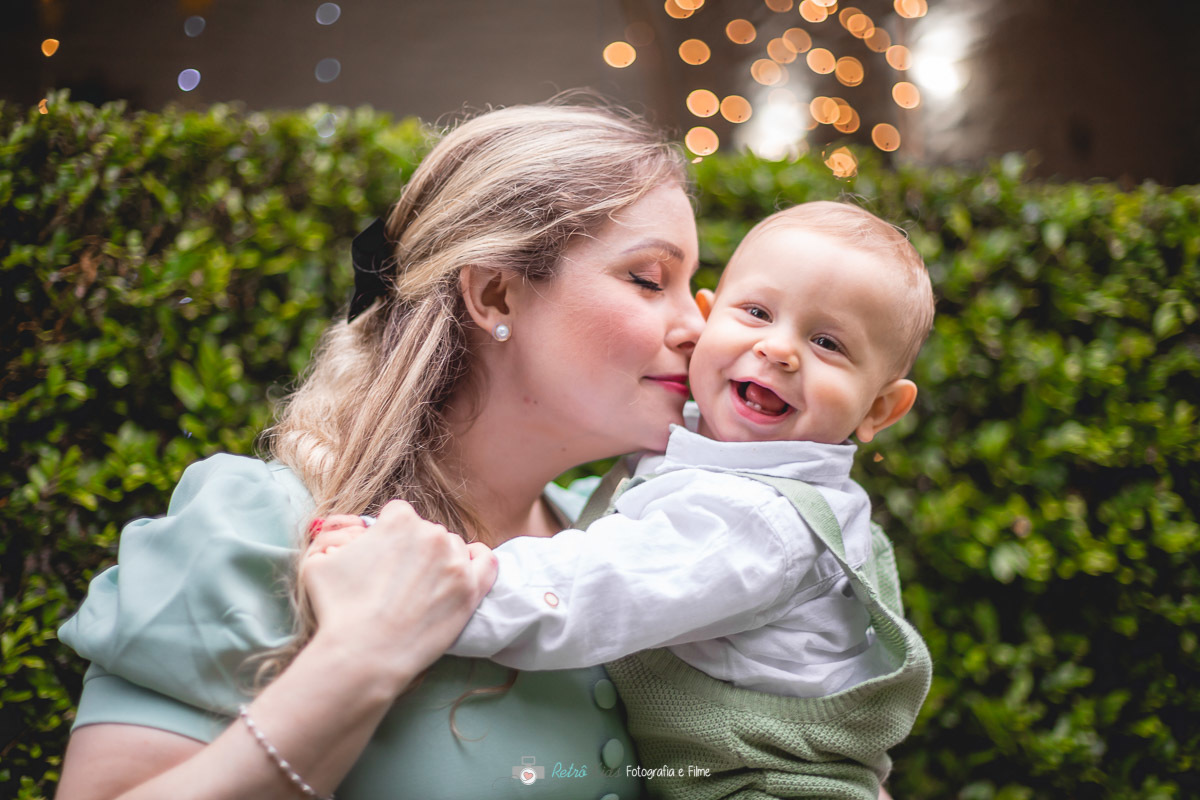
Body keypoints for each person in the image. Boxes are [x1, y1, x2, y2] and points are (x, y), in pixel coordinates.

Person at [54, 100, 707, 800]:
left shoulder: (634, 543)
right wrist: (359, 658)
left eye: (696, 287)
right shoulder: (264, 527)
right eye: (648, 279)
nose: (700, 325)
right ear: (495, 294)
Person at [316, 201, 937, 799]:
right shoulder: (716, 459)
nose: (779, 348)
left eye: (829, 344)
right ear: (709, 318)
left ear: (881, 408)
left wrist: (426, 581)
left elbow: (594, 589)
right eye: (755, 312)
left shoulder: (760, 518)